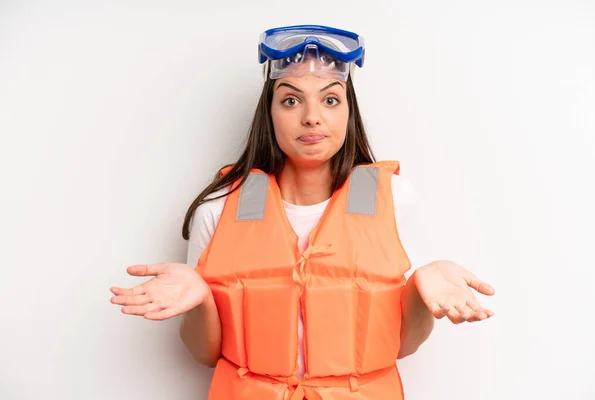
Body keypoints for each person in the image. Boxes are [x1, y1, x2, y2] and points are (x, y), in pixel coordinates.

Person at [110, 24, 496, 399]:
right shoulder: (219, 207)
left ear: (348, 111)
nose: (312, 116)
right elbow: (204, 353)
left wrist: (420, 286)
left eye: (330, 99)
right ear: (270, 111)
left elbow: (400, 346)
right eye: (291, 100)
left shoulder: (394, 198)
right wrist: (200, 297)